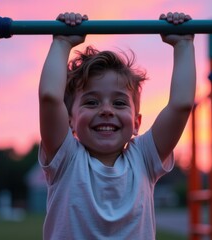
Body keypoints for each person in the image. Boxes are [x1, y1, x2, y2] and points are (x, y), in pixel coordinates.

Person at [38, 11, 195, 239]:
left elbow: (181, 105)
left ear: (136, 123)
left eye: (119, 103)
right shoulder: (66, 158)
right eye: (91, 102)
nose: (106, 110)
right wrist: (61, 43)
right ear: (69, 119)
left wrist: (184, 44)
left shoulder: (144, 158)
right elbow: (50, 98)